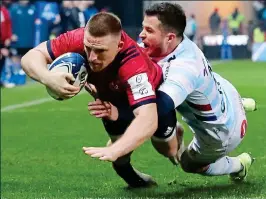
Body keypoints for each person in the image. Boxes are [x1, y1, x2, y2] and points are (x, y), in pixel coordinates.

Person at [89, 3, 254, 183]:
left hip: (221, 131)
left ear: (170, 37)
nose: (141, 34)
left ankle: (239, 164)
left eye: (149, 30)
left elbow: (156, 110)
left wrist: (118, 114)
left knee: (188, 164)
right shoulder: (173, 44)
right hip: (225, 92)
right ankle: (242, 103)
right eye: (143, 28)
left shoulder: (183, 70)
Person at [21, 12, 182, 188]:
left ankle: (176, 131)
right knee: (120, 160)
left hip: (152, 99)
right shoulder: (78, 38)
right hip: (110, 101)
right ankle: (135, 181)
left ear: (119, 45)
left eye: (100, 51)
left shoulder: (134, 65)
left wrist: (116, 148)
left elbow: (148, 119)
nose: (91, 57)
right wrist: (47, 77)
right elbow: (31, 56)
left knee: (168, 150)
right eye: (88, 48)